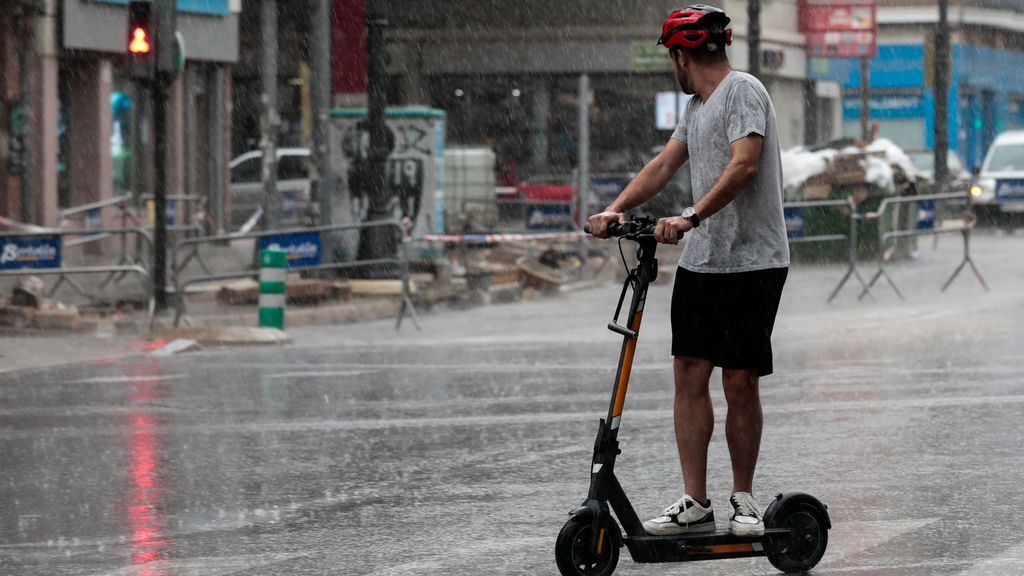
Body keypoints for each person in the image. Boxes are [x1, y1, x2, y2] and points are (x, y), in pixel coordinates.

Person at [587, 4, 789, 537]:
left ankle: (743, 500)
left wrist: (690, 216)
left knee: (739, 380)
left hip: (753, 260)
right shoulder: (697, 106)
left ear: (682, 55)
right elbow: (663, 164)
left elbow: (743, 164)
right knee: (689, 373)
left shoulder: (742, 91)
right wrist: (616, 210)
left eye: (670, 58)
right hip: (704, 261)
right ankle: (694, 502)